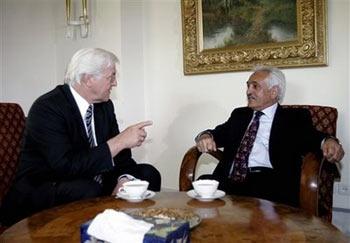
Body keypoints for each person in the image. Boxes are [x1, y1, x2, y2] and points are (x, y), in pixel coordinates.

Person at [0, 48, 161, 226]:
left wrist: (123, 179)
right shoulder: (47, 108)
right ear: (88, 79)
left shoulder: (104, 106)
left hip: (89, 178)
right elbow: (65, 166)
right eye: (111, 77)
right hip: (45, 187)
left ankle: (130, 232)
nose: (115, 83)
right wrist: (120, 140)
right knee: (87, 189)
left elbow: (120, 156)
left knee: (148, 174)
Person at [195, 66, 344, 207]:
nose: (248, 91)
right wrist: (205, 136)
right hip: (231, 179)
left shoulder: (294, 117)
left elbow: (313, 137)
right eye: (248, 86)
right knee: (202, 183)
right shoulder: (239, 115)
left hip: (269, 182)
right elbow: (217, 133)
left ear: (274, 92)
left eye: (255, 86)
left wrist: (329, 141)